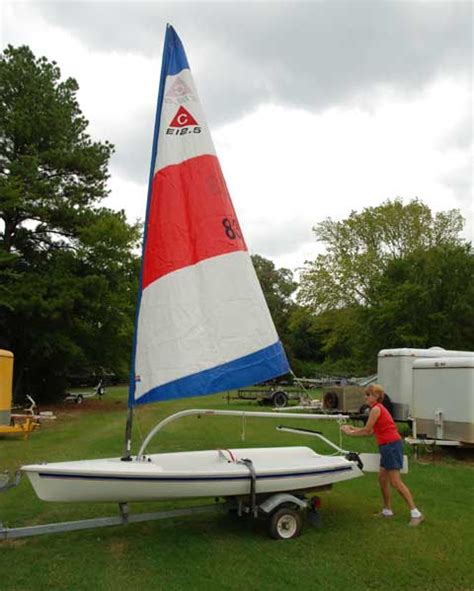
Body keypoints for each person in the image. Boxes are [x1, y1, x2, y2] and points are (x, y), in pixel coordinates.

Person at [341, 384, 424, 527]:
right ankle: (387, 510)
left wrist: (350, 432)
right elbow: (373, 430)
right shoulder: (377, 409)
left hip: (391, 446)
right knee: (382, 479)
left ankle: (416, 513)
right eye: (365, 394)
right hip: (387, 447)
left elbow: (367, 431)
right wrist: (354, 428)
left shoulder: (376, 409)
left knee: (396, 482)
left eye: (368, 395)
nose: (365, 397)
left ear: (376, 397)